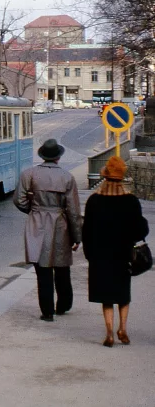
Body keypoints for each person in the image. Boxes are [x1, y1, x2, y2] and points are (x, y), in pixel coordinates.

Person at [82, 156, 150, 347]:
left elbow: (86, 230)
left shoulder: (94, 200)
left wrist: (89, 254)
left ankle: (109, 332)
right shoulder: (131, 201)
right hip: (123, 254)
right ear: (122, 177)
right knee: (122, 293)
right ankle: (123, 329)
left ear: (105, 177)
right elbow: (141, 230)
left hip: (100, 255)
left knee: (106, 295)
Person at [14, 139, 81, 322]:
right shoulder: (67, 177)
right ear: (59, 157)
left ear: (42, 155)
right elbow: (74, 211)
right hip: (60, 223)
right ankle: (64, 304)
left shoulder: (29, 174)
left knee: (42, 268)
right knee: (61, 265)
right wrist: (77, 237)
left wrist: (33, 210)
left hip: (37, 221)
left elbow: (19, 200)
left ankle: (47, 311)